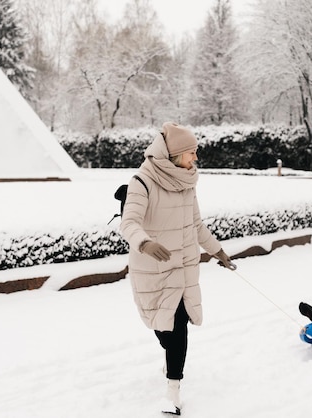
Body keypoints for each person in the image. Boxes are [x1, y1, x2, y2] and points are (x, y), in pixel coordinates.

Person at [119, 122, 234, 416]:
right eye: (191, 153)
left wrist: (218, 251)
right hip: (152, 269)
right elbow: (129, 223)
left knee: (178, 326)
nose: (195, 158)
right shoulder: (142, 182)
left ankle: (173, 390)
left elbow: (196, 225)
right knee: (163, 329)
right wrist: (144, 243)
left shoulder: (187, 182)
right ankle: (172, 357)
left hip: (182, 270)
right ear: (175, 154)